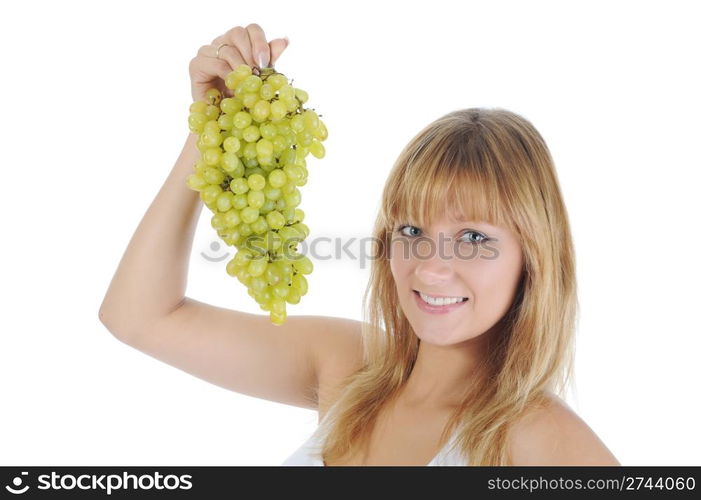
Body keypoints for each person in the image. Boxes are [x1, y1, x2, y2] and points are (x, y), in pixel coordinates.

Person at [98, 23, 620, 466]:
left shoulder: (549, 446)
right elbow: (139, 318)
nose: (432, 268)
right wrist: (210, 127)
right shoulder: (349, 365)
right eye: (411, 232)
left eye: (474, 237)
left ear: (534, 256)